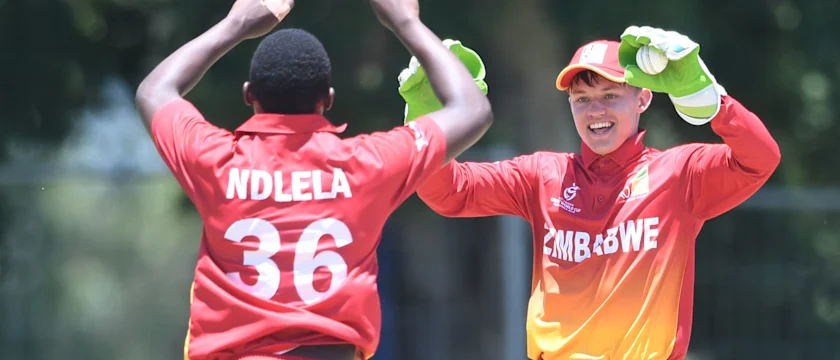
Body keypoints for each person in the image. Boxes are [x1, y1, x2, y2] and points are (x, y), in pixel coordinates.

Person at [134, 0, 493, 358]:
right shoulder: (369, 165)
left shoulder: (215, 160)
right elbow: (471, 110)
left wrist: (236, 23)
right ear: (328, 99)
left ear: (248, 96)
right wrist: (404, 21)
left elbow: (155, 91)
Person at [408, 26, 781, 359]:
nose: (595, 110)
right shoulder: (543, 174)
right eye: (582, 99)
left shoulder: (679, 174)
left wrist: (711, 100)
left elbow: (760, 160)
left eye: (609, 95)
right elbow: (449, 192)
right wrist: (428, 120)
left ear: (643, 99)